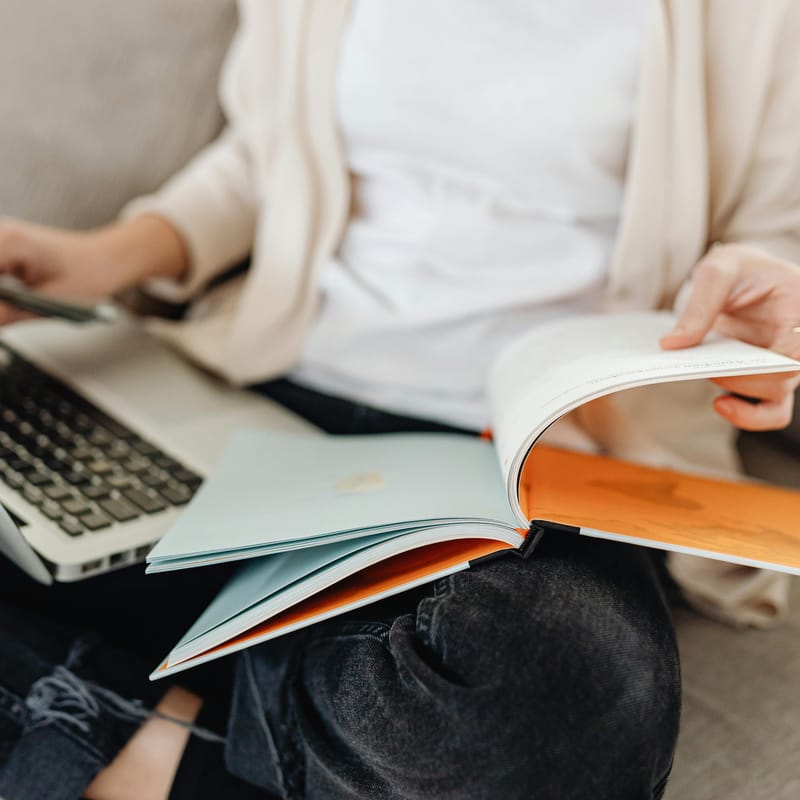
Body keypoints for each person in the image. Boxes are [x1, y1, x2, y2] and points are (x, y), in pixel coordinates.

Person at [1, 2, 800, 798]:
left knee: (571, 690)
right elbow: (262, 160)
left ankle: (115, 731)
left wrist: (762, 321)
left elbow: (772, 241)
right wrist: (97, 259)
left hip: (523, 459)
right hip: (265, 387)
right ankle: (196, 744)